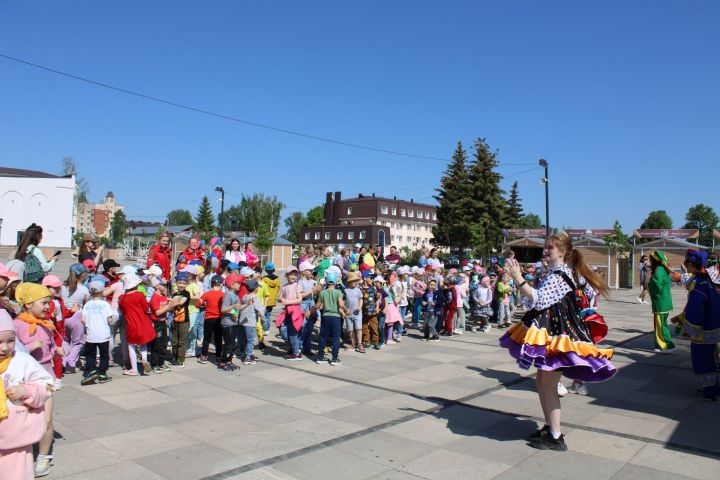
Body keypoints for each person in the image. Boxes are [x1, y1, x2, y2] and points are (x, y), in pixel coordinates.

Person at [501, 233, 615, 451]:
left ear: (562, 252)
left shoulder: (561, 274)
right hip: (555, 334)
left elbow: (540, 299)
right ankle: (549, 427)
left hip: (560, 337)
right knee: (542, 382)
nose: (546, 250)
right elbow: (535, 301)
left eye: (550, 247)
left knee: (548, 385)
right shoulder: (557, 272)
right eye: (545, 247)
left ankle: (555, 436)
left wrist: (518, 278)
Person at [0, 310, 54, 480]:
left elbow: (48, 385)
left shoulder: (22, 360)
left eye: (10, 341)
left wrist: (26, 391)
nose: (4, 347)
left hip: (16, 438)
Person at [13, 282, 59, 476]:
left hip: (46, 375)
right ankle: (20, 450)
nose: (48, 307)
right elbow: (13, 351)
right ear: (28, 304)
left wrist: (56, 350)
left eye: (49, 303)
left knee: (46, 418)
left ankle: (43, 456)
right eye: (44, 303)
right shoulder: (17, 325)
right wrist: (31, 347)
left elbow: (49, 348)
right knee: (23, 418)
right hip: (24, 379)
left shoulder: (47, 324)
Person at [670, 250, 720, 401]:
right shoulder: (706, 281)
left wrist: (691, 328)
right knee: (710, 360)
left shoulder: (700, 285)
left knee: (702, 361)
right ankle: (712, 387)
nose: (685, 266)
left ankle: (710, 392)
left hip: (702, 331)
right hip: (711, 327)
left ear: (691, 264)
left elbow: (695, 309)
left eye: (686, 263)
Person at [118, 273, 156, 375]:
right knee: (143, 343)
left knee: (131, 346)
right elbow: (146, 309)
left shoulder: (122, 298)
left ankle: (134, 369)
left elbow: (122, 311)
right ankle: (144, 359)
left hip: (131, 324)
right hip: (143, 323)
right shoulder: (140, 295)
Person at [80, 281, 114, 385]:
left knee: (90, 355)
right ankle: (102, 374)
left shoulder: (87, 305)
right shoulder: (105, 304)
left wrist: (89, 323)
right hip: (103, 334)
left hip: (91, 335)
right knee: (104, 355)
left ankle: (92, 371)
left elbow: (83, 319)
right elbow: (110, 320)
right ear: (102, 291)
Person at [648, 250, 676, 353]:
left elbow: (656, 285)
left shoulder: (659, 270)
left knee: (661, 326)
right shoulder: (662, 269)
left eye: (651, 260)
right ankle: (659, 345)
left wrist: (649, 285)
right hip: (663, 302)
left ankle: (668, 346)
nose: (649, 262)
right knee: (659, 325)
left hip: (660, 303)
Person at [314, 272, 345, 365]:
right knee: (336, 338)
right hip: (335, 317)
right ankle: (334, 358)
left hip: (325, 316)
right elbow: (340, 304)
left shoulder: (322, 292)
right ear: (336, 281)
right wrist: (346, 310)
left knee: (323, 337)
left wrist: (310, 311)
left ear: (326, 281)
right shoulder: (338, 292)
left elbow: (318, 305)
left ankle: (320, 357)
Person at [197, 275, 225, 364]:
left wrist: (204, 305)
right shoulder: (223, 295)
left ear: (212, 284)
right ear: (220, 284)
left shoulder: (207, 294)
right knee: (218, 338)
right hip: (219, 319)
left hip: (209, 318)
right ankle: (218, 356)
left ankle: (204, 356)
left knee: (207, 338)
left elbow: (198, 304)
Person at [277, 267, 304, 360]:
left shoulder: (297, 286)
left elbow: (300, 299)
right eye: (291, 274)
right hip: (287, 312)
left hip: (295, 312)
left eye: (295, 274)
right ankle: (293, 349)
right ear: (286, 275)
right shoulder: (284, 286)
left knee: (293, 332)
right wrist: (281, 299)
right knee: (284, 331)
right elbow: (279, 297)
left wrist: (288, 302)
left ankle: (296, 352)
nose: (293, 276)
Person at [219, 274, 243, 371]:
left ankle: (229, 361)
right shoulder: (228, 295)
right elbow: (223, 310)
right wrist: (233, 307)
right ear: (232, 285)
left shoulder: (235, 295)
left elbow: (238, 308)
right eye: (238, 283)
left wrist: (247, 304)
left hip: (234, 323)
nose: (240, 284)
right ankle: (223, 362)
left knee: (232, 344)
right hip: (227, 323)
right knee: (229, 344)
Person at [148, 279, 173, 373]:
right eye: (164, 285)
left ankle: (161, 362)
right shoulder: (154, 298)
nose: (166, 287)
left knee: (164, 343)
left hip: (163, 322)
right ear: (157, 286)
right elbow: (158, 312)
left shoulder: (163, 296)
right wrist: (168, 306)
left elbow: (168, 306)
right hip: (156, 323)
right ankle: (154, 364)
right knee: (156, 344)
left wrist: (172, 304)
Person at [238, 279, 263, 365]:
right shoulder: (255, 298)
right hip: (250, 322)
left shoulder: (245, 296)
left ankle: (245, 354)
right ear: (256, 288)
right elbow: (260, 310)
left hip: (242, 322)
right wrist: (264, 320)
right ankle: (248, 357)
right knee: (250, 340)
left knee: (244, 339)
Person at [169, 272, 190, 367]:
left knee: (182, 341)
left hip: (184, 321)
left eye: (183, 283)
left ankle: (181, 358)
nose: (181, 285)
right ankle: (175, 356)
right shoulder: (174, 294)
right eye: (180, 283)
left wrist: (172, 301)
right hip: (175, 320)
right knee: (174, 340)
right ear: (176, 283)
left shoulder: (186, 293)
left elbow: (181, 302)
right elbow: (171, 306)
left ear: (186, 284)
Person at [342, 272, 364, 353]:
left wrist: (360, 306)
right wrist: (342, 312)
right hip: (348, 314)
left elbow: (360, 299)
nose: (355, 282)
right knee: (350, 330)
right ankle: (353, 343)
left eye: (356, 281)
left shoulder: (358, 290)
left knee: (358, 329)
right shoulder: (345, 291)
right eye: (353, 281)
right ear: (348, 282)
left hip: (357, 313)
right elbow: (342, 302)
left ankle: (359, 344)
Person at [261, 262, 280, 338]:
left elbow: (261, 288)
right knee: (268, 315)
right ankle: (267, 329)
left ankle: (265, 328)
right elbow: (279, 288)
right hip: (272, 300)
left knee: (263, 315)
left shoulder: (264, 279)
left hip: (265, 299)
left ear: (265, 269)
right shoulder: (277, 279)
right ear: (274, 270)